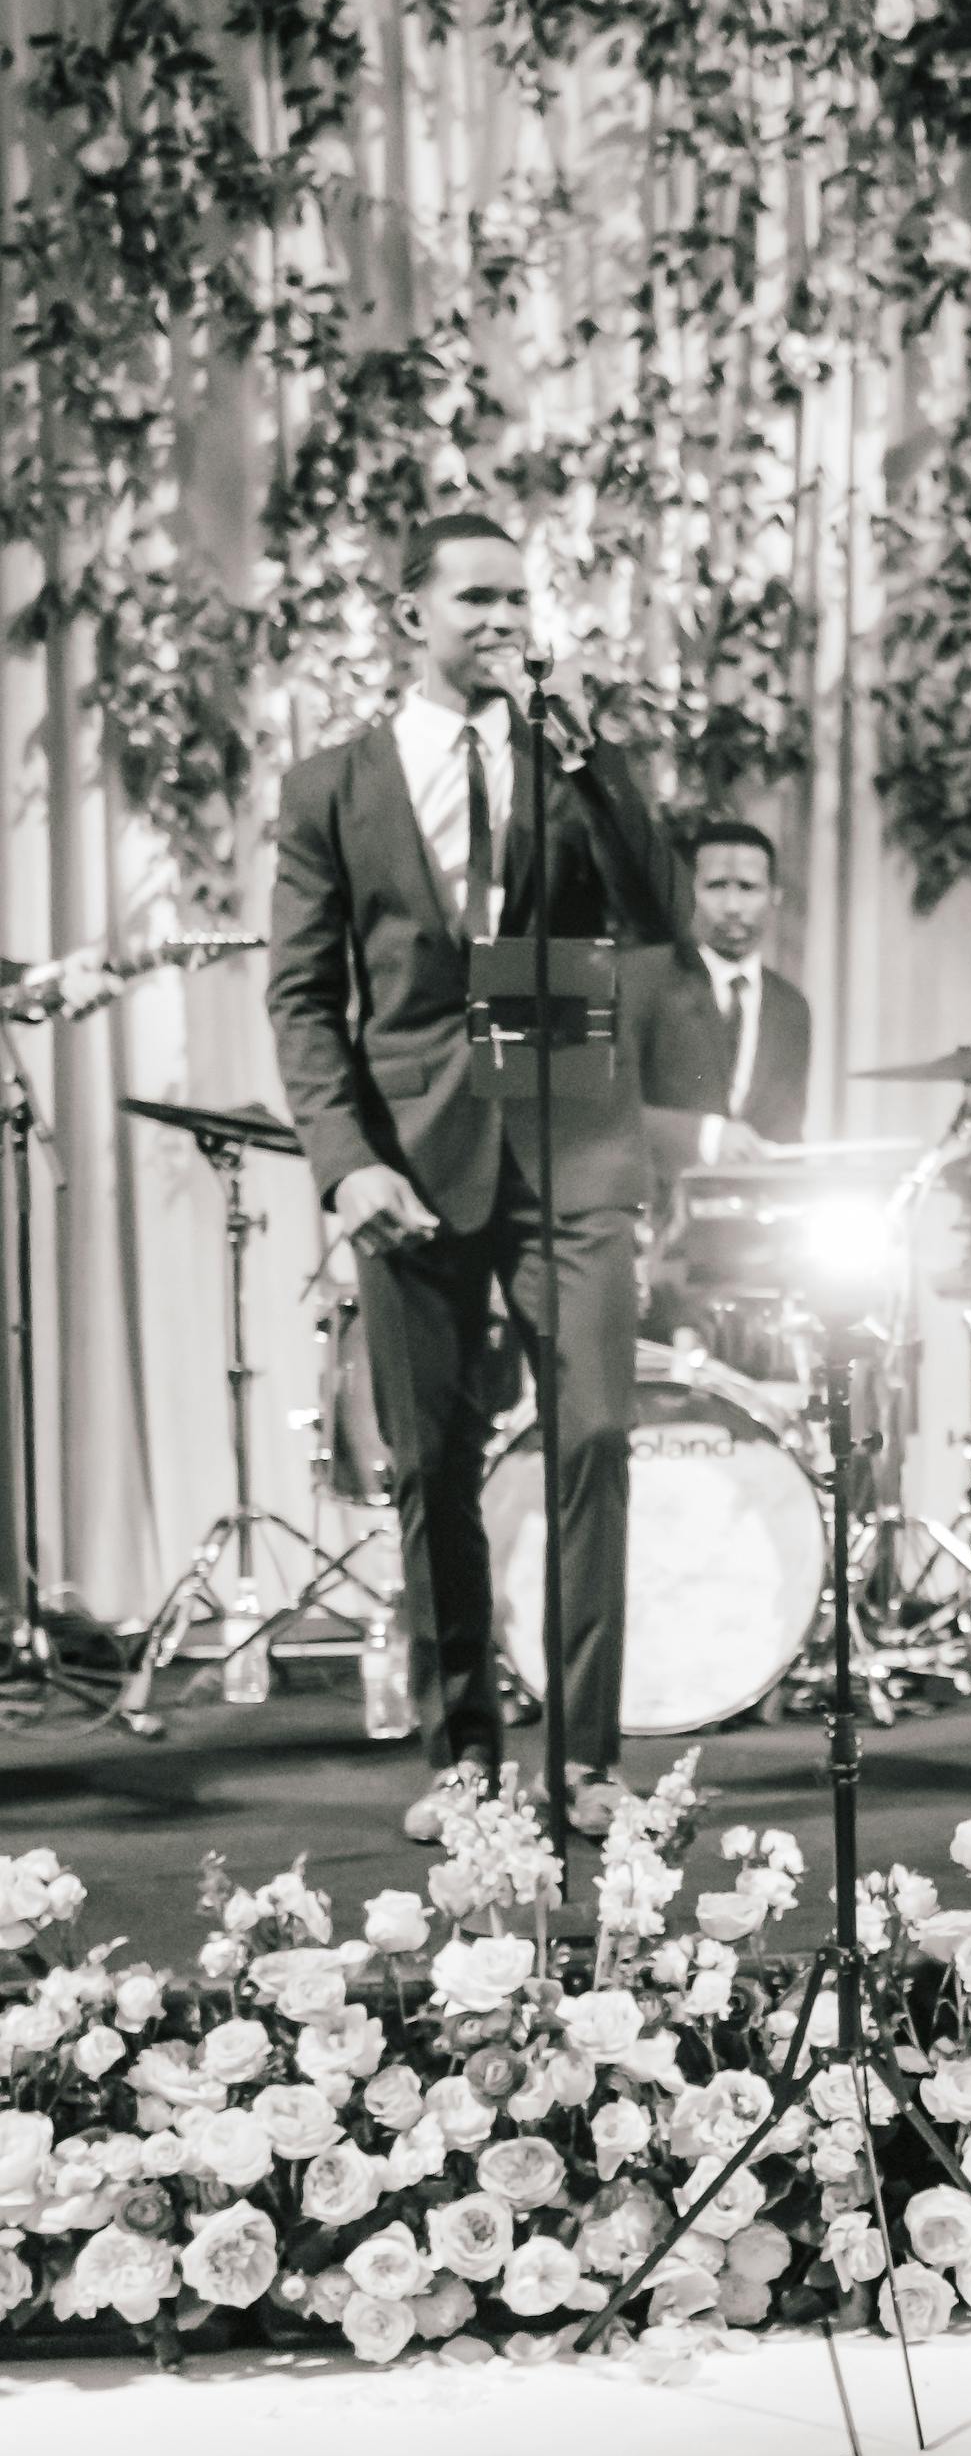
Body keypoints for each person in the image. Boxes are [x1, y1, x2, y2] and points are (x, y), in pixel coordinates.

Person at [266, 508, 680, 1836]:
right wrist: (343, 1168)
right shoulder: (332, 785)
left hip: (573, 1139)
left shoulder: (573, 754)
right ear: (412, 618)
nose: (504, 623)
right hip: (409, 1158)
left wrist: (591, 743)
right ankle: (464, 1760)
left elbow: (658, 910)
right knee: (429, 1464)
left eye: (520, 602)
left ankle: (588, 1764)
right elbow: (303, 999)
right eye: (478, 602)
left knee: (597, 1437)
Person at [628, 816, 812, 1168]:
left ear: (775, 896)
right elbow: (605, 1114)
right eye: (715, 886)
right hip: (655, 1209)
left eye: (748, 888)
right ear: (689, 893)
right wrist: (704, 1137)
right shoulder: (642, 979)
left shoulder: (792, 1008)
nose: (732, 906)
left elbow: (785, 1135)